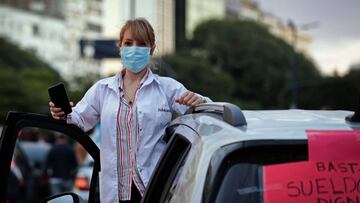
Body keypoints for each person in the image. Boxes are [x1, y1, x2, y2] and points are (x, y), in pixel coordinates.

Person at [49, 17, 211, 203]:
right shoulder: (102, 89)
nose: (134, 49)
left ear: (152, 49)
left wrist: (200, 101)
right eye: (128, 43)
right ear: (120, 47)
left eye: (142, 44)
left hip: (154, 190)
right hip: (115, 193)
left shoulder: (167, 88)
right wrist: (62, 112)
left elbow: (208, 116)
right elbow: (78, 119)